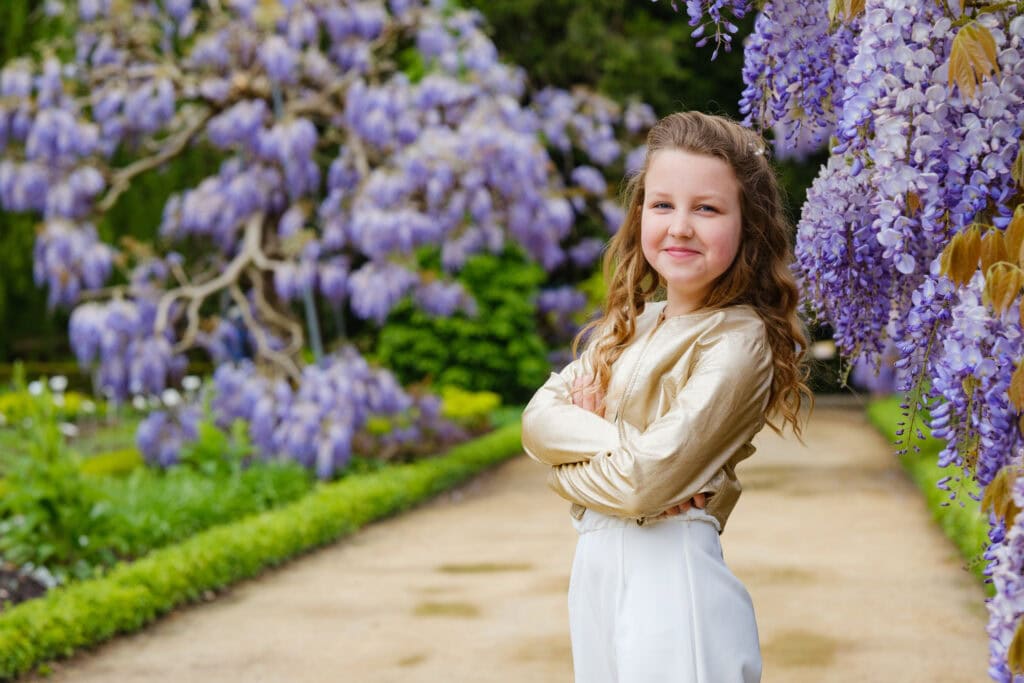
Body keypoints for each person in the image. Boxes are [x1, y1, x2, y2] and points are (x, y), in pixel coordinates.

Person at [520, 110, 813, 682]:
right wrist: (634, 456)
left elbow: (638, 487)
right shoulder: (628, 324)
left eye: (706, 208)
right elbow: (536, 424)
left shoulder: (739, 338)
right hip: (596, 569)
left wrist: (563, 474)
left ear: (747, 226)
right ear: (640, 213)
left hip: (671, 575)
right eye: (663, 204)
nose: (680, 226)